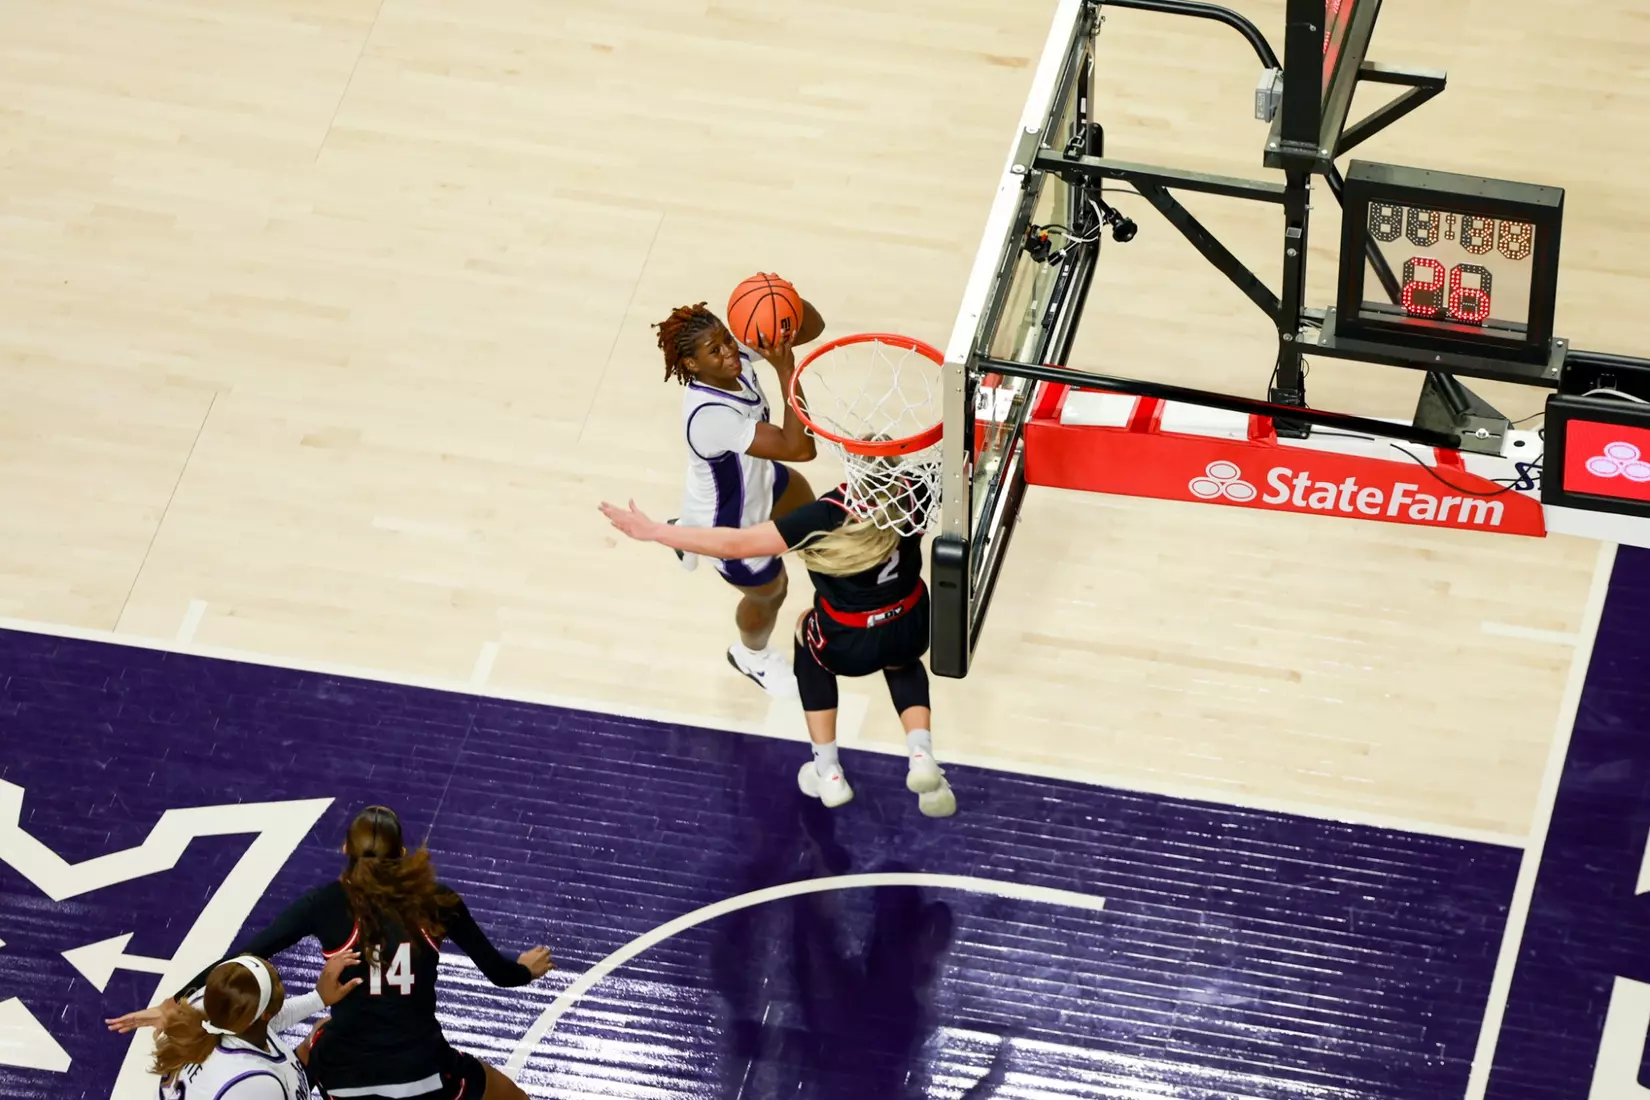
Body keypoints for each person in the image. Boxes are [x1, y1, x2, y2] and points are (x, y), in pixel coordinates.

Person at [600, 470, 956, 817]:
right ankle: (921, 754)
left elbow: (735, 545)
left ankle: (828, 771)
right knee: (902, 663)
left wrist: (656, 531)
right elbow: (960, 473)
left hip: (849, 644)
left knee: (806, 632)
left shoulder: (825, 516)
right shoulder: (917, 492)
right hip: (910, 623)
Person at [176, 805, 554, 1100]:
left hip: (345, 1077)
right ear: (402, 853)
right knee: (512, 1097)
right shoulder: (438, 902)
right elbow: (500, 974)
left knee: (319, 1034)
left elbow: (244, 957)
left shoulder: (323, 905)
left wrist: (176, 1001)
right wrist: (525, 969)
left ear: (345, 850)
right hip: (424, 1072)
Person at [654, 298, 825, 696]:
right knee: (771, 591)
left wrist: (780, 299)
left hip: (761, 479)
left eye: (728, 340)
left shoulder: (734, 357)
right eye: (715, 350)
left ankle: (684, 531)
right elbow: (800, 448)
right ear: (693, 364)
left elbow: (812, 328)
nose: (730, 351)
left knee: (818, 525)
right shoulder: (710, 415)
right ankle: (750, 655)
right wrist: (786, 371)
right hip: (730, 523)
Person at [106, 948, 362, 1099]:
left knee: (321, 1037)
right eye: (277, 981)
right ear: (263, 1014)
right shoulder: (253, 1081)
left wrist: (318, 998)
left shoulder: (208, 1004)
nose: (279, 981)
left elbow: (269, 1021)